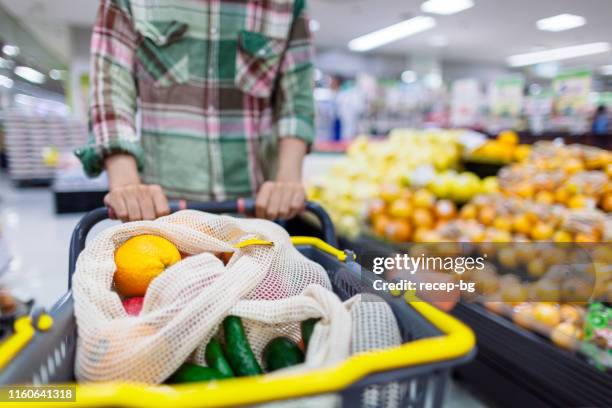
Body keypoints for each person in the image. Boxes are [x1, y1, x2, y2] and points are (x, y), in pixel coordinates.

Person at [76, 0, 315, 221]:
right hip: (158, 217)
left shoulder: (287, 5)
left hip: (255, 218)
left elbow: (297, 103)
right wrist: (127, 185)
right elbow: (111, 96)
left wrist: (288, 179)